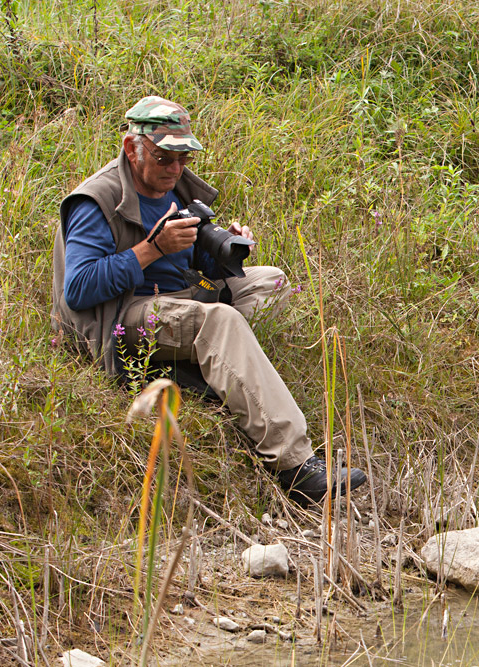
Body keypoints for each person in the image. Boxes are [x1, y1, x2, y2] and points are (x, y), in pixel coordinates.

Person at [50, 95, 366, 507]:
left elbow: (190, 260)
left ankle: (208, 371)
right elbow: (78, 290)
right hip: (122, 316)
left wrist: (223, 248)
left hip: (176, 299)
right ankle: (294, 464)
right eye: (165, 157)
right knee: (221, 321)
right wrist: (152, 249)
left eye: (183, 157)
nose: (176, 168)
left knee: (271, 281)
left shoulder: (175, 188)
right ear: (132, 148)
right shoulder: (97, 200)